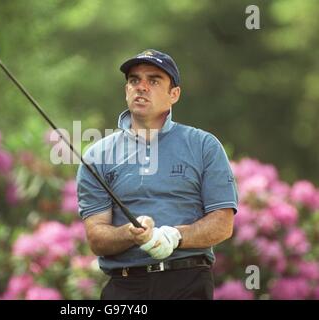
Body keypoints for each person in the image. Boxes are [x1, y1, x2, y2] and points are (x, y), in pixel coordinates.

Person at [76, 49, 238, 300]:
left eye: (153, 80)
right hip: (125, 288)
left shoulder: (204, 145)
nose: (141, 87)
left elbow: (223, 223)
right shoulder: (97, 156)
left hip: (188, 283)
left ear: (174, 94)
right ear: (126, 90)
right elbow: (97, 237)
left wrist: (173, 236)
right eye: (133, 80)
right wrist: (130, 233)